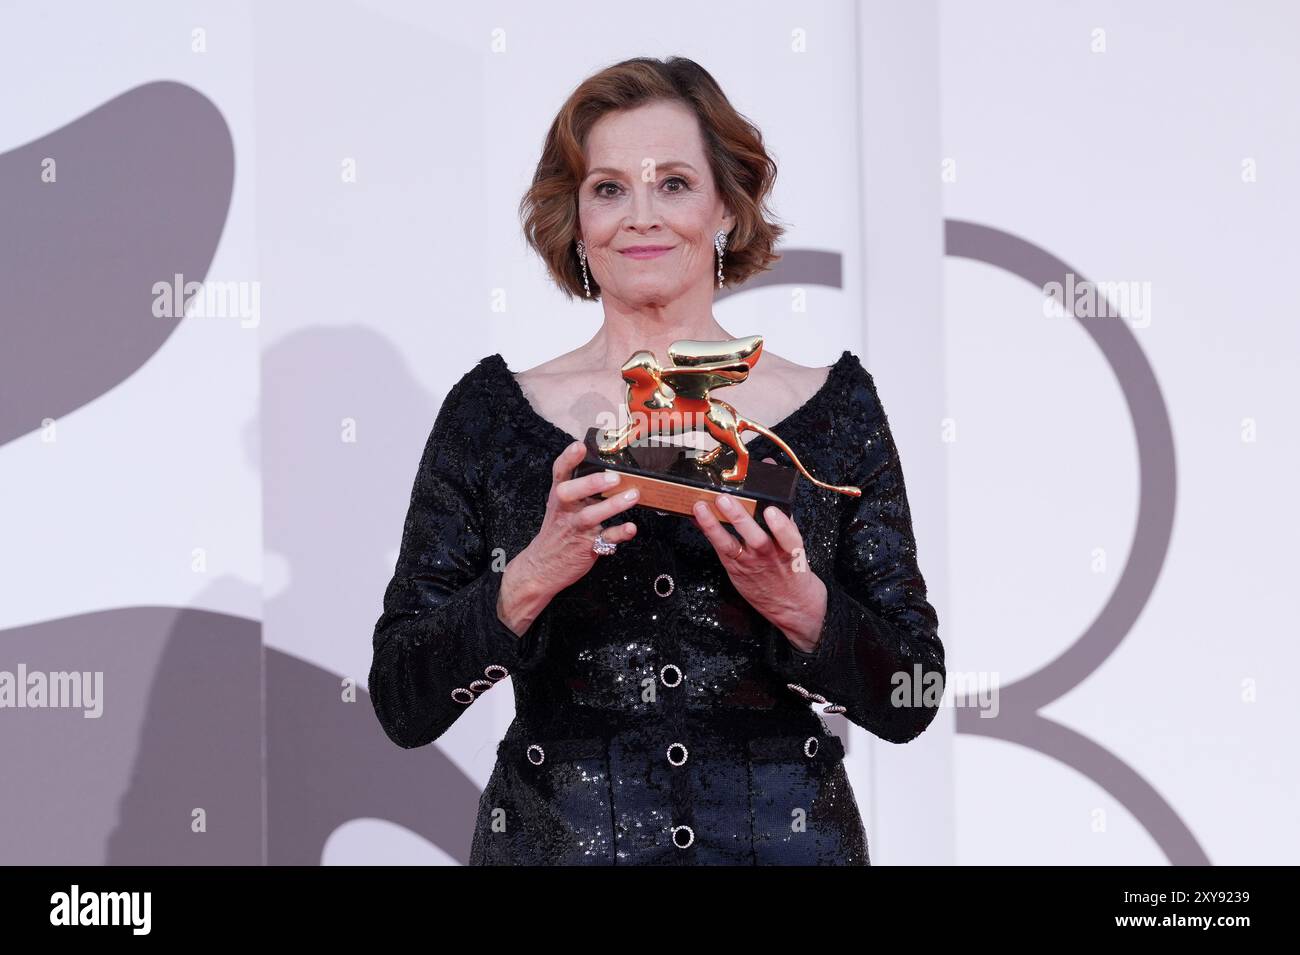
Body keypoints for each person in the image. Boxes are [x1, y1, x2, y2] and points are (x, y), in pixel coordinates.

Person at [367, 56, 945, 865]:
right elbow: (402, 699)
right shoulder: (492, 414)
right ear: (575, 219)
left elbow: (910, 694)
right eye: (608, 188)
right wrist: (533, 572)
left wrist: (798, 603)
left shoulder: (834, 408)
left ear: (726, 209)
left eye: (673, 183)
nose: (641, 215)